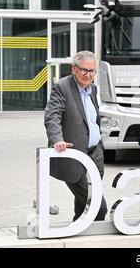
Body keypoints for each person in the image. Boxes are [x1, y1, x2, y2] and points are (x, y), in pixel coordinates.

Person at [44, 50, 107, 221]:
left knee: (83, 205)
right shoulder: (62, 87)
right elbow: (52, 116)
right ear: (74, 69)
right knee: (98, 208)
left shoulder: (93, 89)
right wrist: (57, 140)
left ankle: (78, 238)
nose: (88, 75)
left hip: (95, 154)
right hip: (75, 156)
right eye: (84, 70)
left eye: (92, 71)